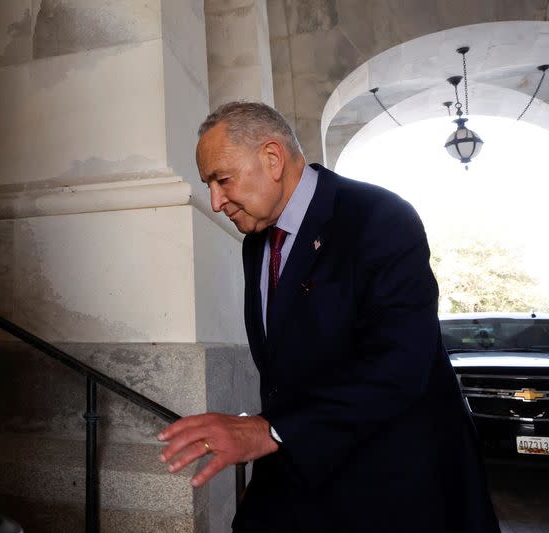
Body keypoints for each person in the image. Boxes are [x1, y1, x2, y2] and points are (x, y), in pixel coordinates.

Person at [157, 102, 500, 532]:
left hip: (395, 490)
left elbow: (399, 366)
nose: (214, 200)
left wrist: (270, 433)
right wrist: (274, 469)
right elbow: (287, 376)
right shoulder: (256, 241)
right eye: (208, 184)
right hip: (305, 475)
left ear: (272, 158)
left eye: (221, 180)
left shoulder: (379, 217)